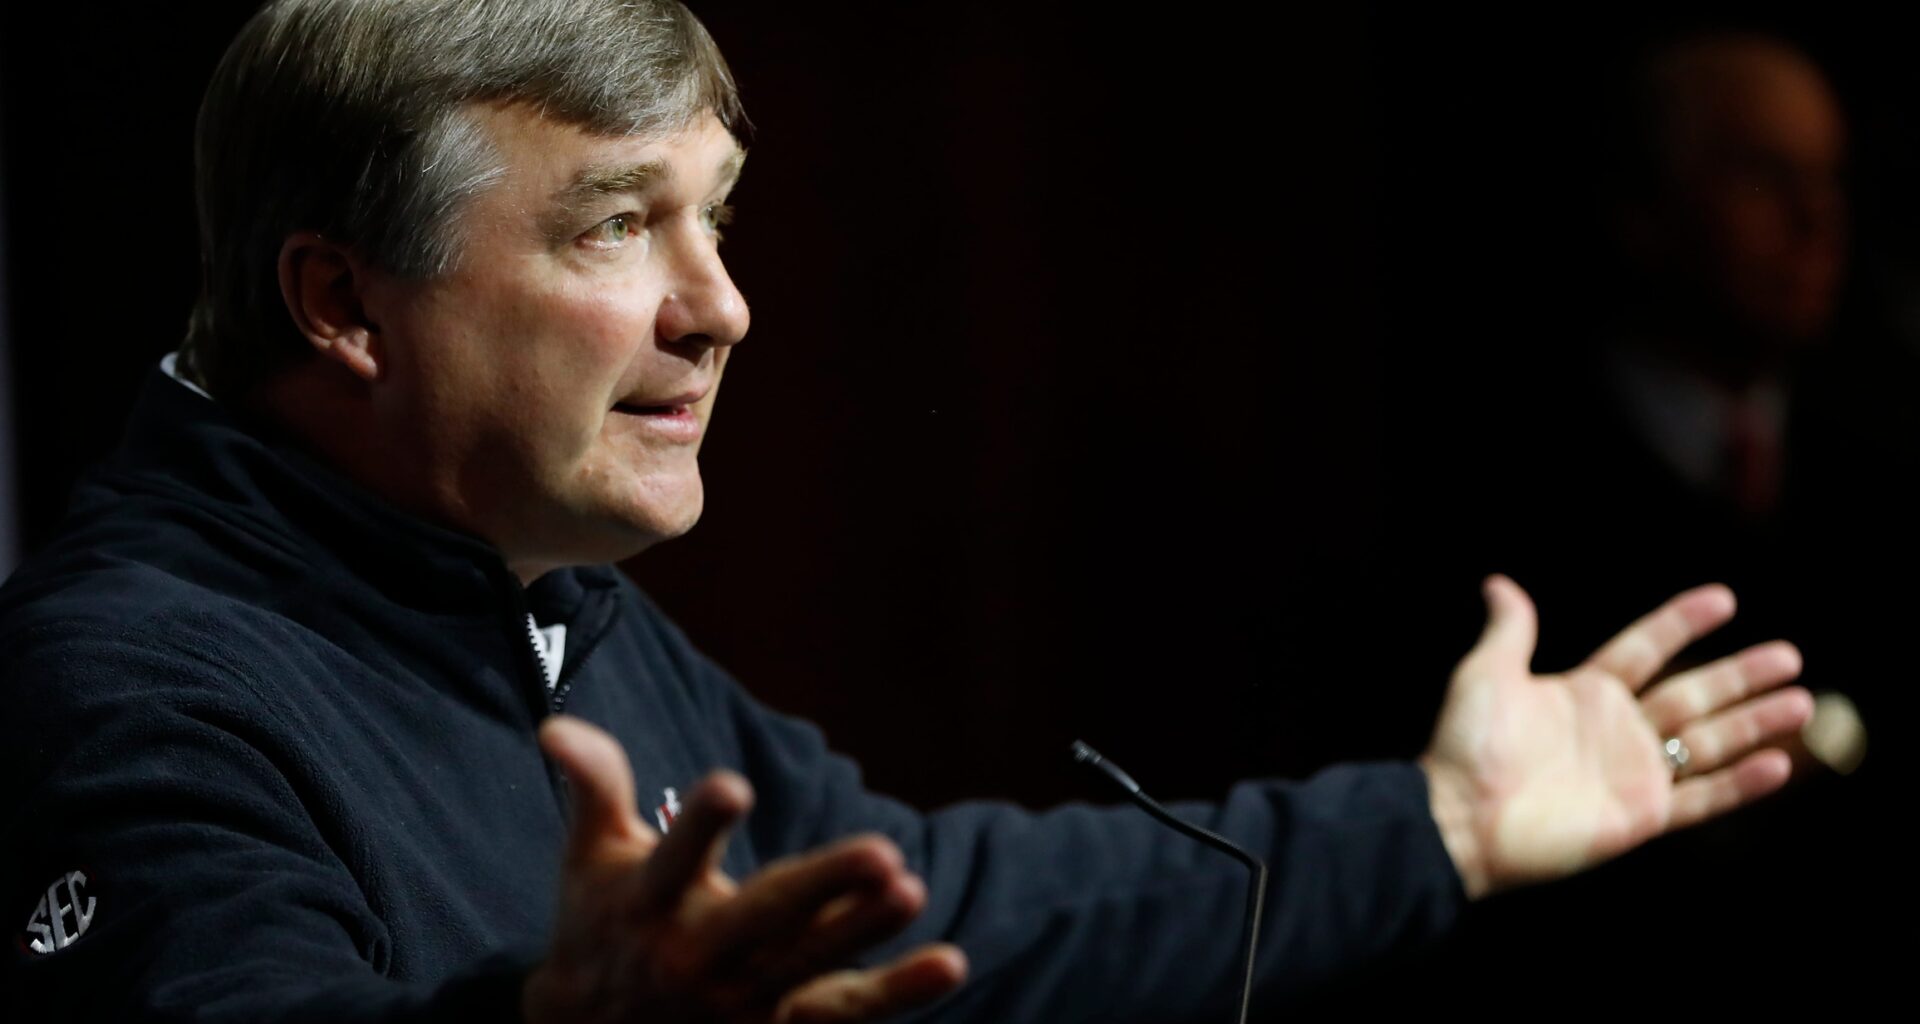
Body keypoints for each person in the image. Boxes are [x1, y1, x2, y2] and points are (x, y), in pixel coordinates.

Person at [0, 2, 1815, 1021]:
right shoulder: (123, 686)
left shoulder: (541, 605)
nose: (724, 306)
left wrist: (1437, 825)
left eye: (717, 218)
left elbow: (941, 911)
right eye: (618, 225)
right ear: (342, 302)